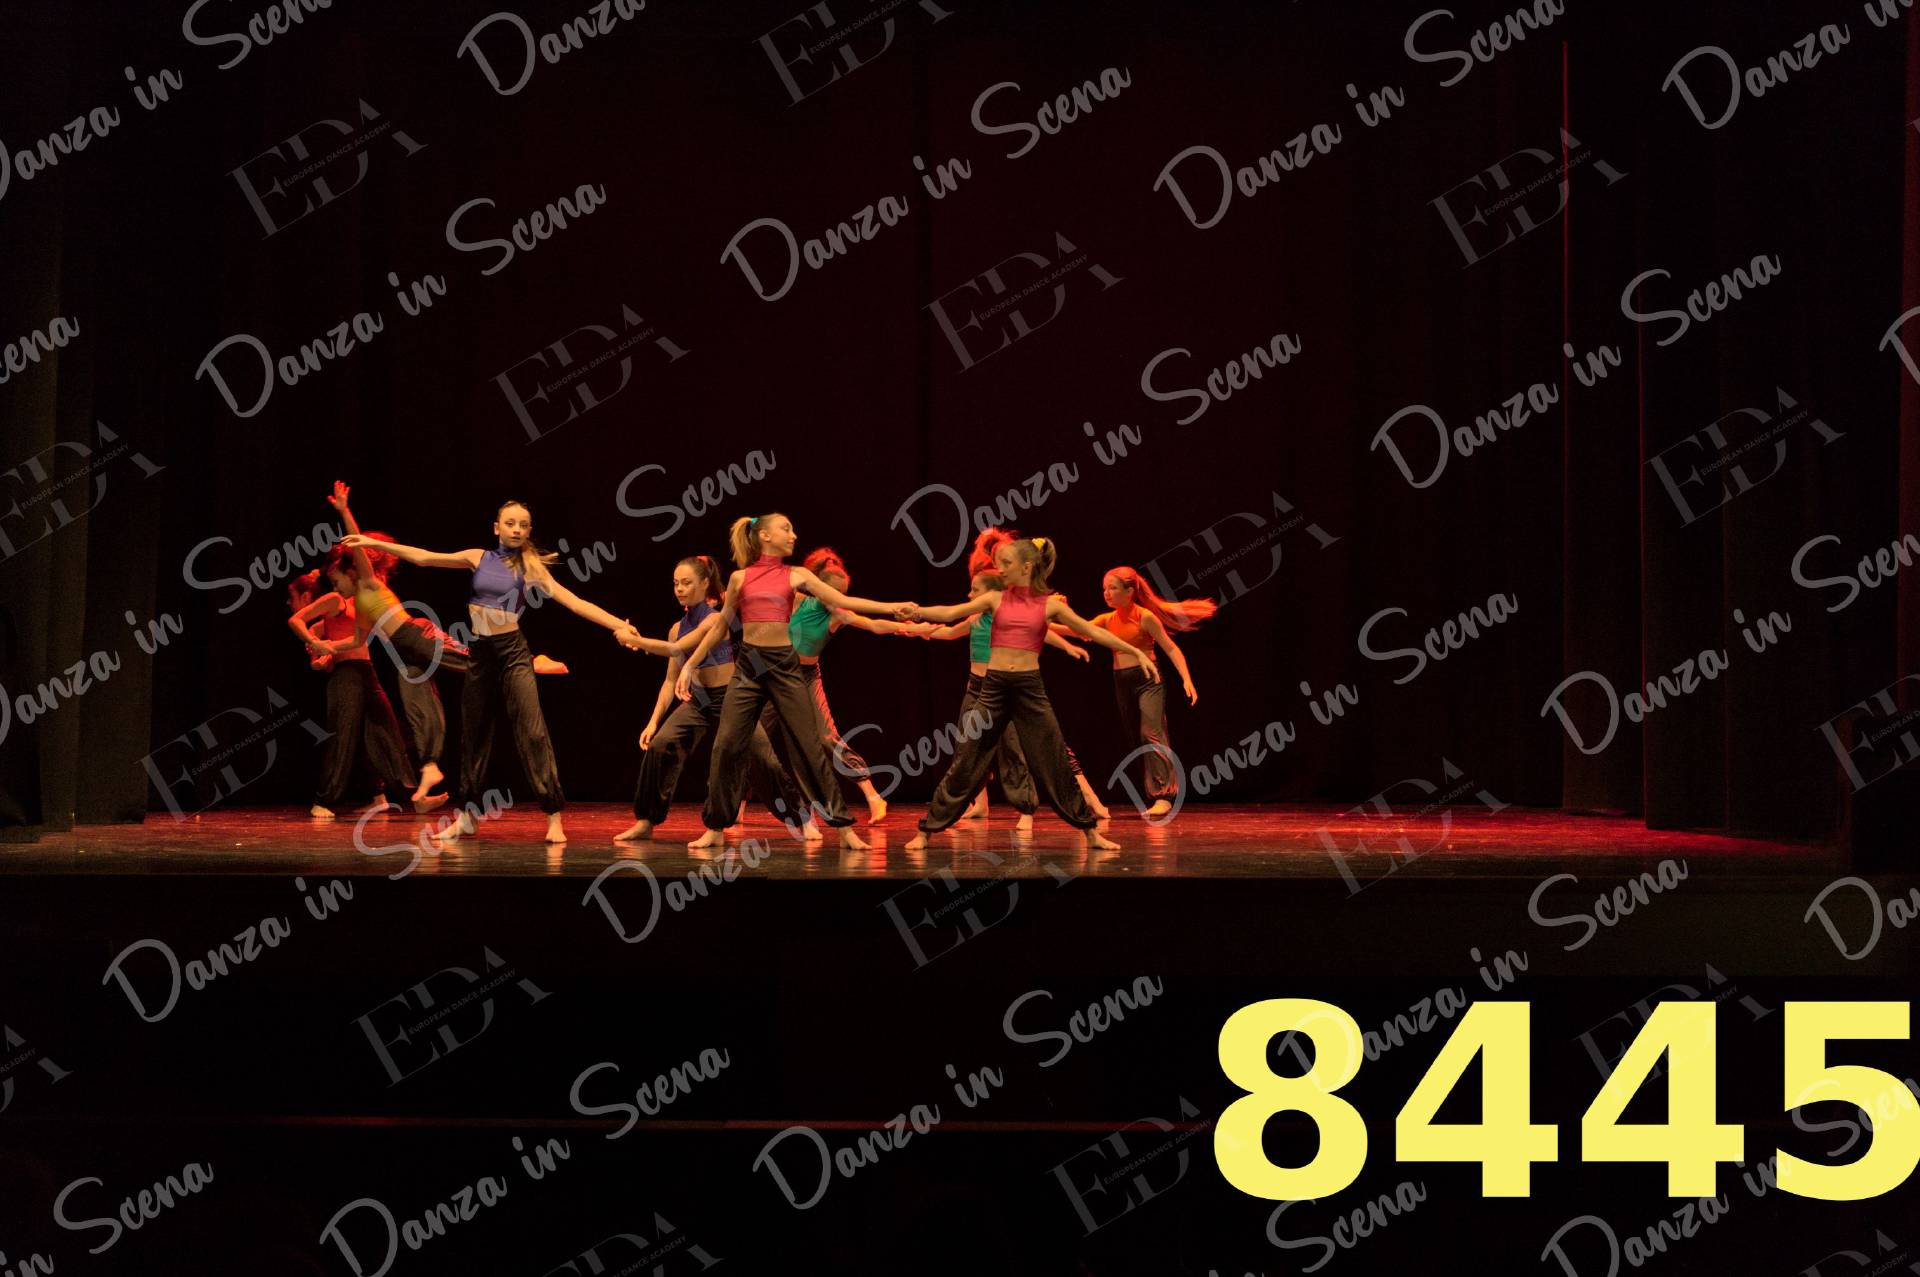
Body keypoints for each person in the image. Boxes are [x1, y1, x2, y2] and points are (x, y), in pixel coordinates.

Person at [341, 499, 641, 844]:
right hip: (482, 654)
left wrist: (619, 625)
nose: (516, 530)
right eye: (510, 523)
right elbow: (424, 557)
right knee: (474, 736)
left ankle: (553, 816)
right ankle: (467, 818)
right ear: (496, 528)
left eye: (523, 525)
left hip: (512, 653)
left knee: (532, 733)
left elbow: (575, 602)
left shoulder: (531, 568)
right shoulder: (477, 557)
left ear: (529, 531)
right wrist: (373, 543)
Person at [672, 512, 915, 850]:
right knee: (726, 744)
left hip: (784, 666)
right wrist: (689, 664)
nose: (793, 535)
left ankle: (843, 828)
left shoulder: (797, 575)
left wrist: (893, 607)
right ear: (765, 536)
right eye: (786, 529)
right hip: (750, 667)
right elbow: (720, 627)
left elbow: (843, 602)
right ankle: (715, 826)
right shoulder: (740, 578)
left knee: (808, 747)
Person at [904, 536, 1155, 852]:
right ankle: (927, 830)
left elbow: (1092, 631)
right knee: (967, 760)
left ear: (1026, 567)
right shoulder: (994, 599)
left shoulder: (1048, 605)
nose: (1000, 569)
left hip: (1029, 689)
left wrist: (1136, 651)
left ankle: (1090, 832)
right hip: (993, 688)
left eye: (1006, 564)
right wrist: (916, 612)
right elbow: (951, 612)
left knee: (1054, 759)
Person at [615, 554, 821, 843]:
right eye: (676, 583)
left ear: (704, 583)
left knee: (762, 760)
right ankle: (646, 820)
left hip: (731, 697)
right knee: (661, 745)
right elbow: (670, 680)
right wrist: (653, 722)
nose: (679, 589)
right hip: (699, 699)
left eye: (687, 583)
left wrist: (635, 640)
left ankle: (800, 817)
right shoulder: (676, 628)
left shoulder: (715, 619)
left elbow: (677, 649)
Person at [758, 546, 932, 826]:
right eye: (834, 592)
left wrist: (912, 628)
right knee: (754, 738)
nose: (839, 598)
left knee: (826, 737)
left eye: (843, 593)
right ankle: (736, 805)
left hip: (806, 677)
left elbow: (874, 625)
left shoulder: (838, 614)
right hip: (777, 677)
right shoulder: (798, 601)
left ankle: (873, 796)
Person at [287, 554, 416, 820]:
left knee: (386, 731)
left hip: (367, 672)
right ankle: (323, 800)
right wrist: (318, 649)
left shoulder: (362, 602)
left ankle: (407, 795)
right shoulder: (336, 600)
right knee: (343, 737)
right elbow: (298, 623)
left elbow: (358, 636)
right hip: (346, 675)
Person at [1089, 566, 1214, 819]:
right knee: (1136, 738)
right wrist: (1043, 623)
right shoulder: (1106, 620)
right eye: (1104, 589)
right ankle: (1154, 791)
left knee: (1151, 732)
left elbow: (1171, 648)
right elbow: (1077, 630)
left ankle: (1164, 795)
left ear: (1130, 591)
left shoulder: (1144, 617)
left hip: (1149, 679)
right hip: (1121, 681)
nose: (1107, 593)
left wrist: (1186, 679)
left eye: (1112, 588)